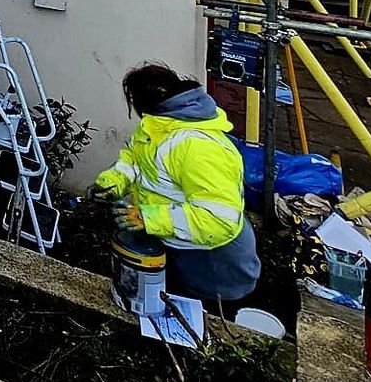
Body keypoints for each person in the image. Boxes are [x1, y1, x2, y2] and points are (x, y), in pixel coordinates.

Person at [93, 64, 261, 306]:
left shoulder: (197, 146)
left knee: (206, 326)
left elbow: (218, 219)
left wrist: (148, 218)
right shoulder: (158, 125)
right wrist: (111, 183)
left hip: (215, 264)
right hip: (181, 248)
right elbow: (135, 160)